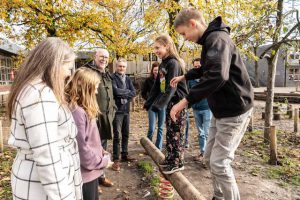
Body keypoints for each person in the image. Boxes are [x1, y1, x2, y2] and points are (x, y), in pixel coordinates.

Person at [170, 8, 254, 200]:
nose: (184, 38)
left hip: (234, 109)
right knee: (209, 158)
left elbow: (217, 75)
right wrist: (186, 75)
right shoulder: (210, 41)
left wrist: (185, 101)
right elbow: (207, 68)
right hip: (221, 110)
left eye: (184, 33)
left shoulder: (217, 39)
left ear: (193, 23)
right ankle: (219, 195)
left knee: (220, 162)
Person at [7, 37, 82, 200]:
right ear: (55, 64)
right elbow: (47, 154)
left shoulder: (33, 89)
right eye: (68, 67)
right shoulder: (41, 95)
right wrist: (64, 197)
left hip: (36, 181)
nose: (70, 74)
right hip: (42, 187)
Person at [144, 34, 188, 175]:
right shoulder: (163, 63)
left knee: (176, 132)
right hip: (169, 102)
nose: (155, 51)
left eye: (158, 48)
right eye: (154, 48)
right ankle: (170, 158)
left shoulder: (173, 63)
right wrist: (149, 102)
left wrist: (159, 105)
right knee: (169, 132)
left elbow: (171, 87)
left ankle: (177, 162)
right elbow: (157, 86)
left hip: (178, 103)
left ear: (167, 46)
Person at [66, 67, 111, 200]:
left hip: (90, 173)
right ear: (86, 88)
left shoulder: (82, 109)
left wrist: (100, 150)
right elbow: (81, 148)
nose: (97, 92)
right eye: (95, 87)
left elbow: (90, 138)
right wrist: (103, 162)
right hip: (85, 175)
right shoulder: (77, 113)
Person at [88, 49, 115, 190]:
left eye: (106, 57)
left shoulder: (107, 74)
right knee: (92, 150)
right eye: (101, 56)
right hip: (93, 118)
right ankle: (92, 182)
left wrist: (113, 109)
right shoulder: (88, 72)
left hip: (106, 119)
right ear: (95, 57)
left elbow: (111, 94)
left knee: (102, 149)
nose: (104, 59)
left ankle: (101, 177)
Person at [111, 58, 136, 171]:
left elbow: (134, 92)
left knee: (126, 133)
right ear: (116, 67)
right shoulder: (112, 78)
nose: (121, 68)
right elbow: (115, 92)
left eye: (123, 67)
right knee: (117, 135)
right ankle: (116, 159)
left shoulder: (128, 79)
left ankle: (124, 154)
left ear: (126, 68)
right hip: (117, 111)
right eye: (120, 66)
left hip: (126, 110)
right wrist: (127, 93)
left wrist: (123, 93)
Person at [188, 58, 212, 161]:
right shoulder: (190, 80)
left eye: (199, 66)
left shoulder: (207, 79)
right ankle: (202, 153)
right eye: (195, 67)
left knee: (207, 133)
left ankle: (209, 155)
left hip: (207, 108)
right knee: (201, 133)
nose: (197, 68)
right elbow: (189, 94)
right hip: (196, 109)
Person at [141, 61, 166, 150]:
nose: (156, 71)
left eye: (158, 70)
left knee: (161, 127)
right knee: (152, 127)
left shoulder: (163, 79)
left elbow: (164, 92)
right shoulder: (148, 80)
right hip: (152, 106)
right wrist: (149, 99)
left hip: (162, 105)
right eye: (155, 70)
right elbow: (143, 93)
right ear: (152, 70)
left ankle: (158, 147)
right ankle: (148, 147)